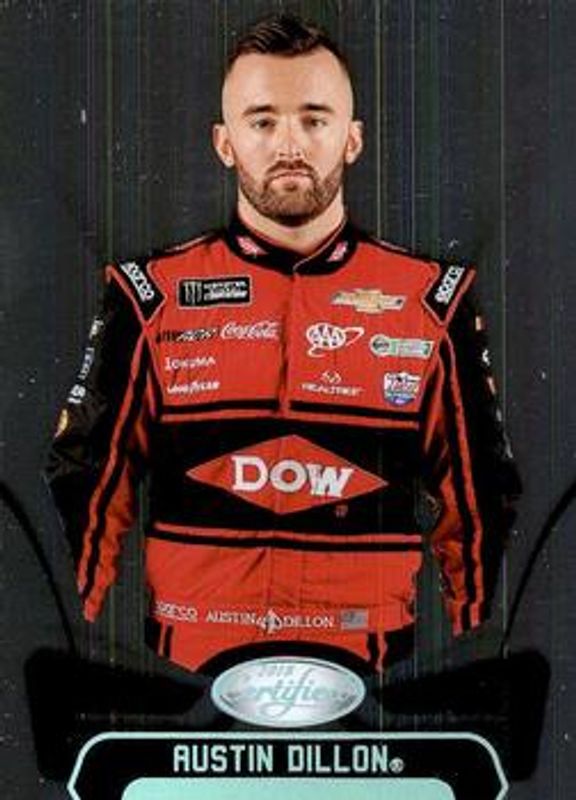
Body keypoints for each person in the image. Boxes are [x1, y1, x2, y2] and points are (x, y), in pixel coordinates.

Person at [46, 14, 521, 673]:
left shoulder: (432, 302)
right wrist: (78, 656)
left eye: (314, 119)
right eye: (263, 121)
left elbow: (479, 507)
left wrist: (477, 664)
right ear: (225, 142)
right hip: (190, 687)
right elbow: (88, 491)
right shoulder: (148, 296)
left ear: (353, 139)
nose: (289, 143)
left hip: (372, 685)